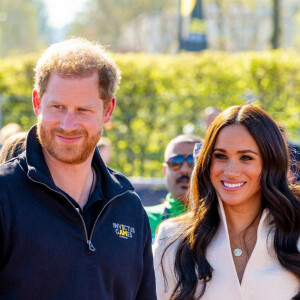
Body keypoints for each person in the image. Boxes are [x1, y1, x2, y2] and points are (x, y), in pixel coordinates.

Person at [0, 38, 156, 300]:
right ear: (37, 102)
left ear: (108, 110)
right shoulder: (4, 196)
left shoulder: (129, 208)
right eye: (58, 107)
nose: (68, 124)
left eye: (83, 110)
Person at [153, 105, 300, 300]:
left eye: (246, 157)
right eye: (220, 156)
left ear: (270, 164)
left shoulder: (296, 231)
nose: (231, 171)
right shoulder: (172, 239)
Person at [145, 134, 202, 243]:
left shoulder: (221, 220)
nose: (184, 170)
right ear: (164, 170)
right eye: (176, 162)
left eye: (193, 162)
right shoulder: (142, 218)